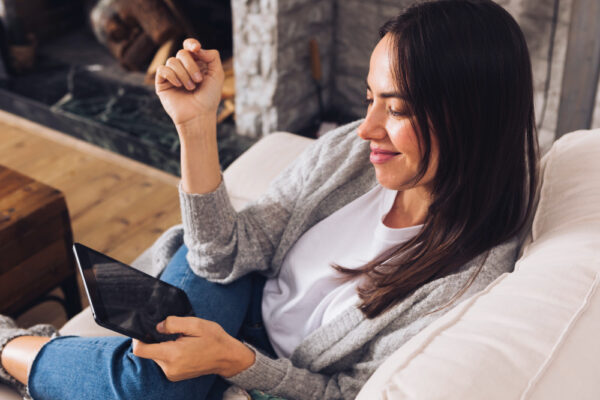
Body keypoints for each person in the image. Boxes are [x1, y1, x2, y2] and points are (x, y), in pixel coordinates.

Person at [0, 0, 539, 399]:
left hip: (266, 358)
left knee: (146, 386)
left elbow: (345, 394)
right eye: (369, 98)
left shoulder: (467, 275)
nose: (364, 129)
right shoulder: (350, 157)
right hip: (240, 281)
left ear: (470, 119)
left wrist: (236, 362)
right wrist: (196, 127)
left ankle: (16, 348)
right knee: (147, 384)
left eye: (396, 110)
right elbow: (220, 254)